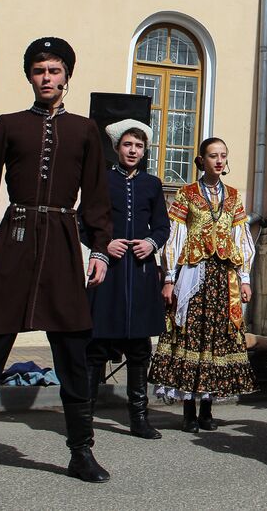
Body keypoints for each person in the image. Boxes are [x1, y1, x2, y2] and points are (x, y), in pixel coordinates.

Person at [0, 37, 113, 493]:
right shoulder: (10, 125)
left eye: (55, 71)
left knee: (73, 354)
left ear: (67, 77)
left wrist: (98, 249)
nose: (47, 78)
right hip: (14, 241)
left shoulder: (84, 130)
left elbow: (95, 195)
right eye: (39, 71)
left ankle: (81, 451)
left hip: (60, 242)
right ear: (30, 77)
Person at [150, 137, 258, 432]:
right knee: (191, 336)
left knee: (217, 338)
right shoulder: (186, 195)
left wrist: (245, 278)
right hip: (195, 274)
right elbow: (175, 238)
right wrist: (169, 278)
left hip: (224, 277)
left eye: (223, 155)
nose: (219, 160)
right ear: (202, 160)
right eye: (213, 156)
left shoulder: (234, 196)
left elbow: (242, 240)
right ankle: (188, 410)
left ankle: (207, 408)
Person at [84, 120, 170, 439]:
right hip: (109, 270)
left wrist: (152, 243)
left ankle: (139, 418)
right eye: (127, 145)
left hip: (141, 271)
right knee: (97, 345)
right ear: (117, 148)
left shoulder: (152, 184)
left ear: (145, 151)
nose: (133, 151)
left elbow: (163, 226)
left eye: (139, 146)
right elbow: (84, 223)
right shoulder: (102, 181)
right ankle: (85, 416)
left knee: (139, 348)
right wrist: (104, 245)